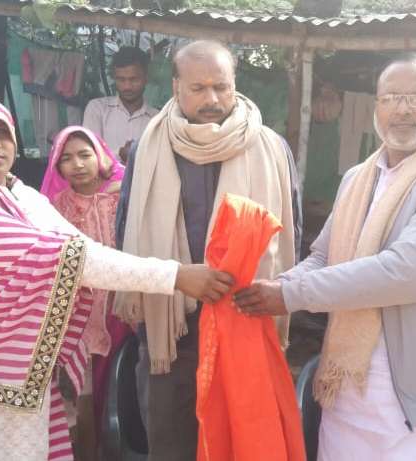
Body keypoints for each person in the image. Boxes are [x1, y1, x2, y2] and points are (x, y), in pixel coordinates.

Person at [0, 90, 235, 461]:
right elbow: (73, 259)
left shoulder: (13, 194)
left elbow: (74, 243)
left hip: (14, 378)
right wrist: (176, 275)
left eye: (2, 132)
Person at [234, 54, 416, 460]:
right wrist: (275, 288)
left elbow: (406, 273)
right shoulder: (358, 178)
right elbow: (324, 257)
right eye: (390, 98)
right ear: (376, 108)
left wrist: (289, 296)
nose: (402, 109)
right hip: (351, 387)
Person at [113, 40, 302, 461]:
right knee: (171, 444)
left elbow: (291, 231)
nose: (212, 99)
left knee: (243, 441)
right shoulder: (150, 146)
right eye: (198, 88)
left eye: (221, 86)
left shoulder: (271, 148)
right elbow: (126, 228)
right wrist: (174, 281)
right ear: (176, 87)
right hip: (171, 331)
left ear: (235, 84)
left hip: (245, 319)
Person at [38, 126, 129, 458]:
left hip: (124, 307)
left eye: (84, 155)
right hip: (80, 315)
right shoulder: (54, 208)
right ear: (57, 166)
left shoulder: (124, 196)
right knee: (83, 393)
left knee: (122, 382)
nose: (77, 164)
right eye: (66, 158)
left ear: (100, 156)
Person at [83, 46, 158, 163]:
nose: (127, 86)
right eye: (121, 80)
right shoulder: (97, 109)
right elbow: (89, 156)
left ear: (146, 78)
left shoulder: (157, 119)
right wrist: (120, 153)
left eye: (134, 79)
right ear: (114, 78)